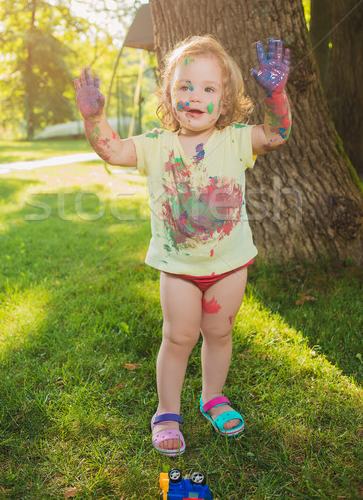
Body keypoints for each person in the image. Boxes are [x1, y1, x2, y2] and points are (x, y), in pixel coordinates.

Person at [74, 35, 292, 456]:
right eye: (185, 86)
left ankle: (213, 398)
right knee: (177, 338)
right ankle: (167, 412)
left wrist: (277, 96)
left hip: (229, 265)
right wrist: (93, 118)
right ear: (169, 94)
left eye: (208, 89)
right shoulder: (156, 145)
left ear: (225, 103)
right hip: (178, 270)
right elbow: (113, 150)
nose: (194, 96)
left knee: (219, 332)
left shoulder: (236, 140)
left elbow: (278, 133)